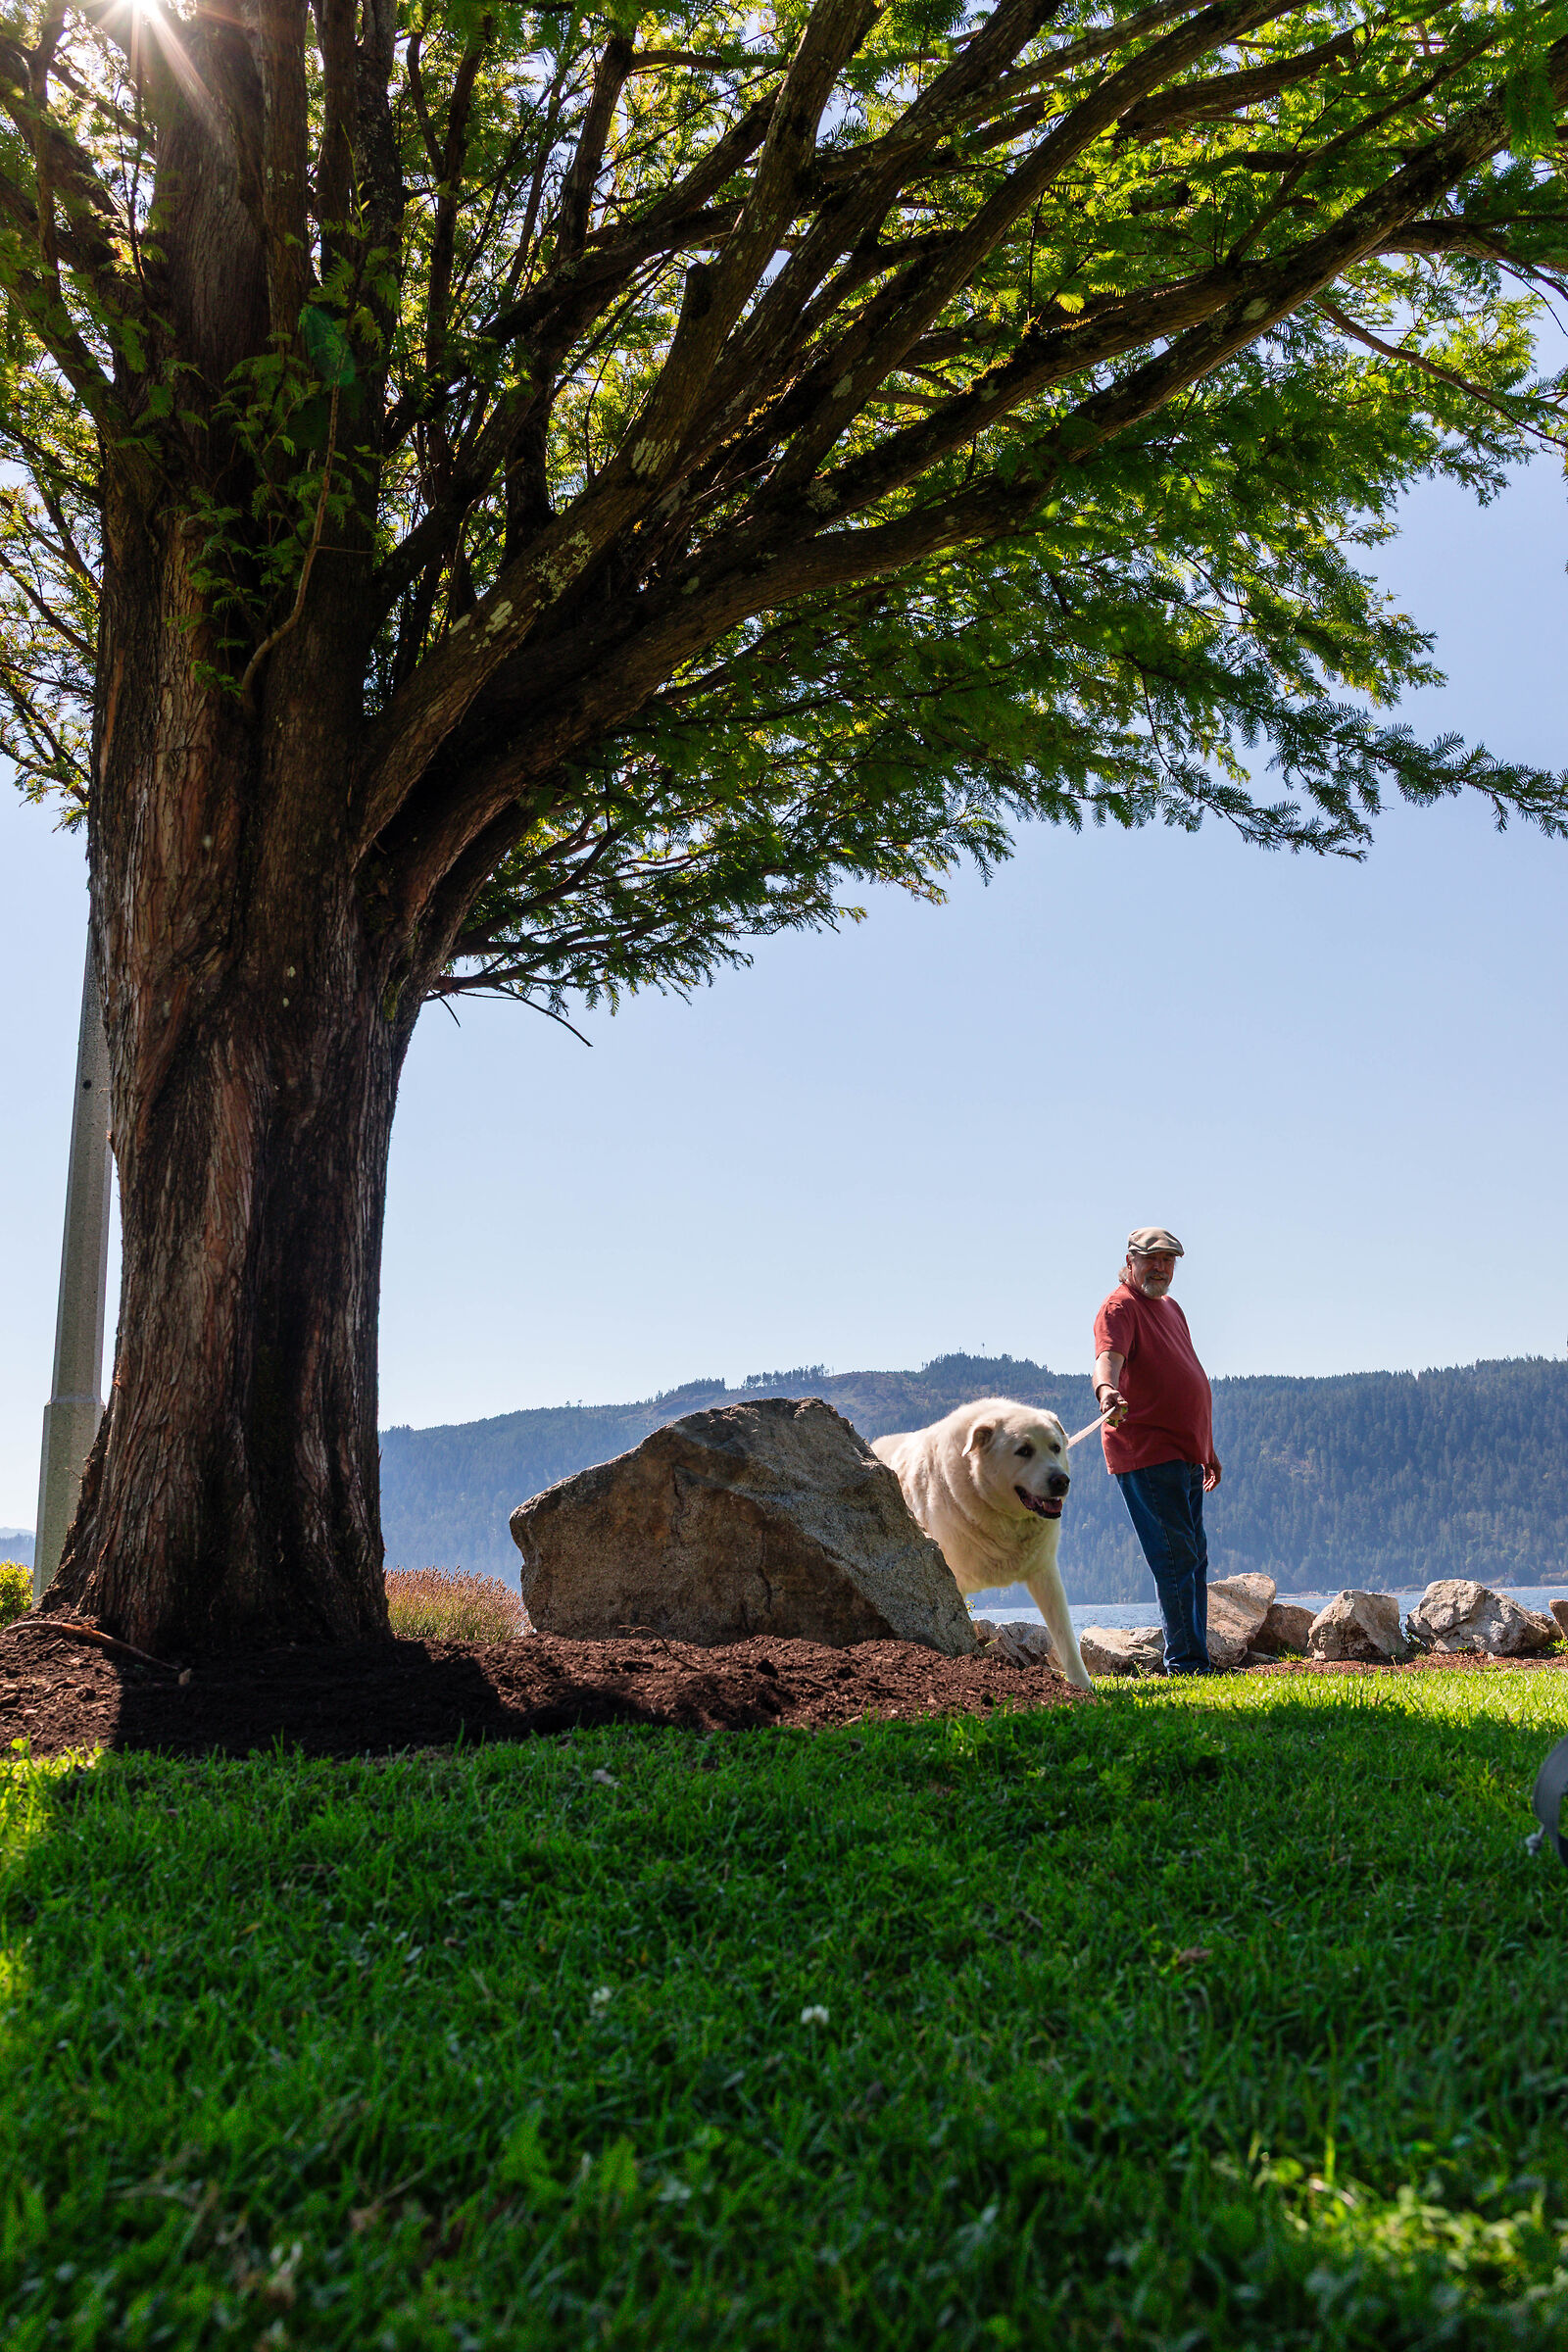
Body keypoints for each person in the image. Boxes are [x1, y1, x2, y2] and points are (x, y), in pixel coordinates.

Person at [1092, 1228, 1222, 1676]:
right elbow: (1108, 1357)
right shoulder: (1120, 1306)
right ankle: (1187, 1663)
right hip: (1147, 1450)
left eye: (1169, 1260)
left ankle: (1195, 1657)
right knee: (1175, 1557)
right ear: (1130, 1260)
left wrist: (1206, 1446)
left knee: (1193, 1555)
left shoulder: (1170, 1308)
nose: (1161, 1268)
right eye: (1152, 1259)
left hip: (1185, 1452)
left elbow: (1186, 1375)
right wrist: (1106, 1390)